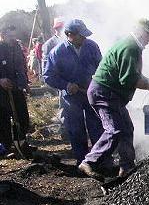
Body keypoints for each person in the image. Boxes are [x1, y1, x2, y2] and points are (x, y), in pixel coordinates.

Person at [78, 18, 149, 179]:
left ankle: (127, 167)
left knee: (127, 129)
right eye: (148, 34)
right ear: (140, 31)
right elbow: (128, 79)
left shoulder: (131, 46)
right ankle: (89, 162)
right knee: (115, 129)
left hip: (110, 94)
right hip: (104, 93)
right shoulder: (131, 47)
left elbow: (134, 74)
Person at [43, 19, 104, 166]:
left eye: (84, 35)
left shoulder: (91, 46)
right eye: (80, 35)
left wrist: (97, 82)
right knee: (76, 129)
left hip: (90, 93)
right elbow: (48, 76)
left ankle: (100, 159)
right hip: (71, 98)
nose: (84, 38)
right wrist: (66, 85)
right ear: (69, 35)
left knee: (96, 126)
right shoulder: (57, 52)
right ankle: (82, 161)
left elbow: (102, 67)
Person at [0, 25, 34, 158]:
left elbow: (22, 67)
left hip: (17, 88)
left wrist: (25, 83)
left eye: (14, 36)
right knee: (3, 119)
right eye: (10, 36)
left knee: (22, 117)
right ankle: (6, 147)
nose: (13, 39)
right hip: (2, 91)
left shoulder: (17, 47)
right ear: (3, 35)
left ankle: (21, 142)